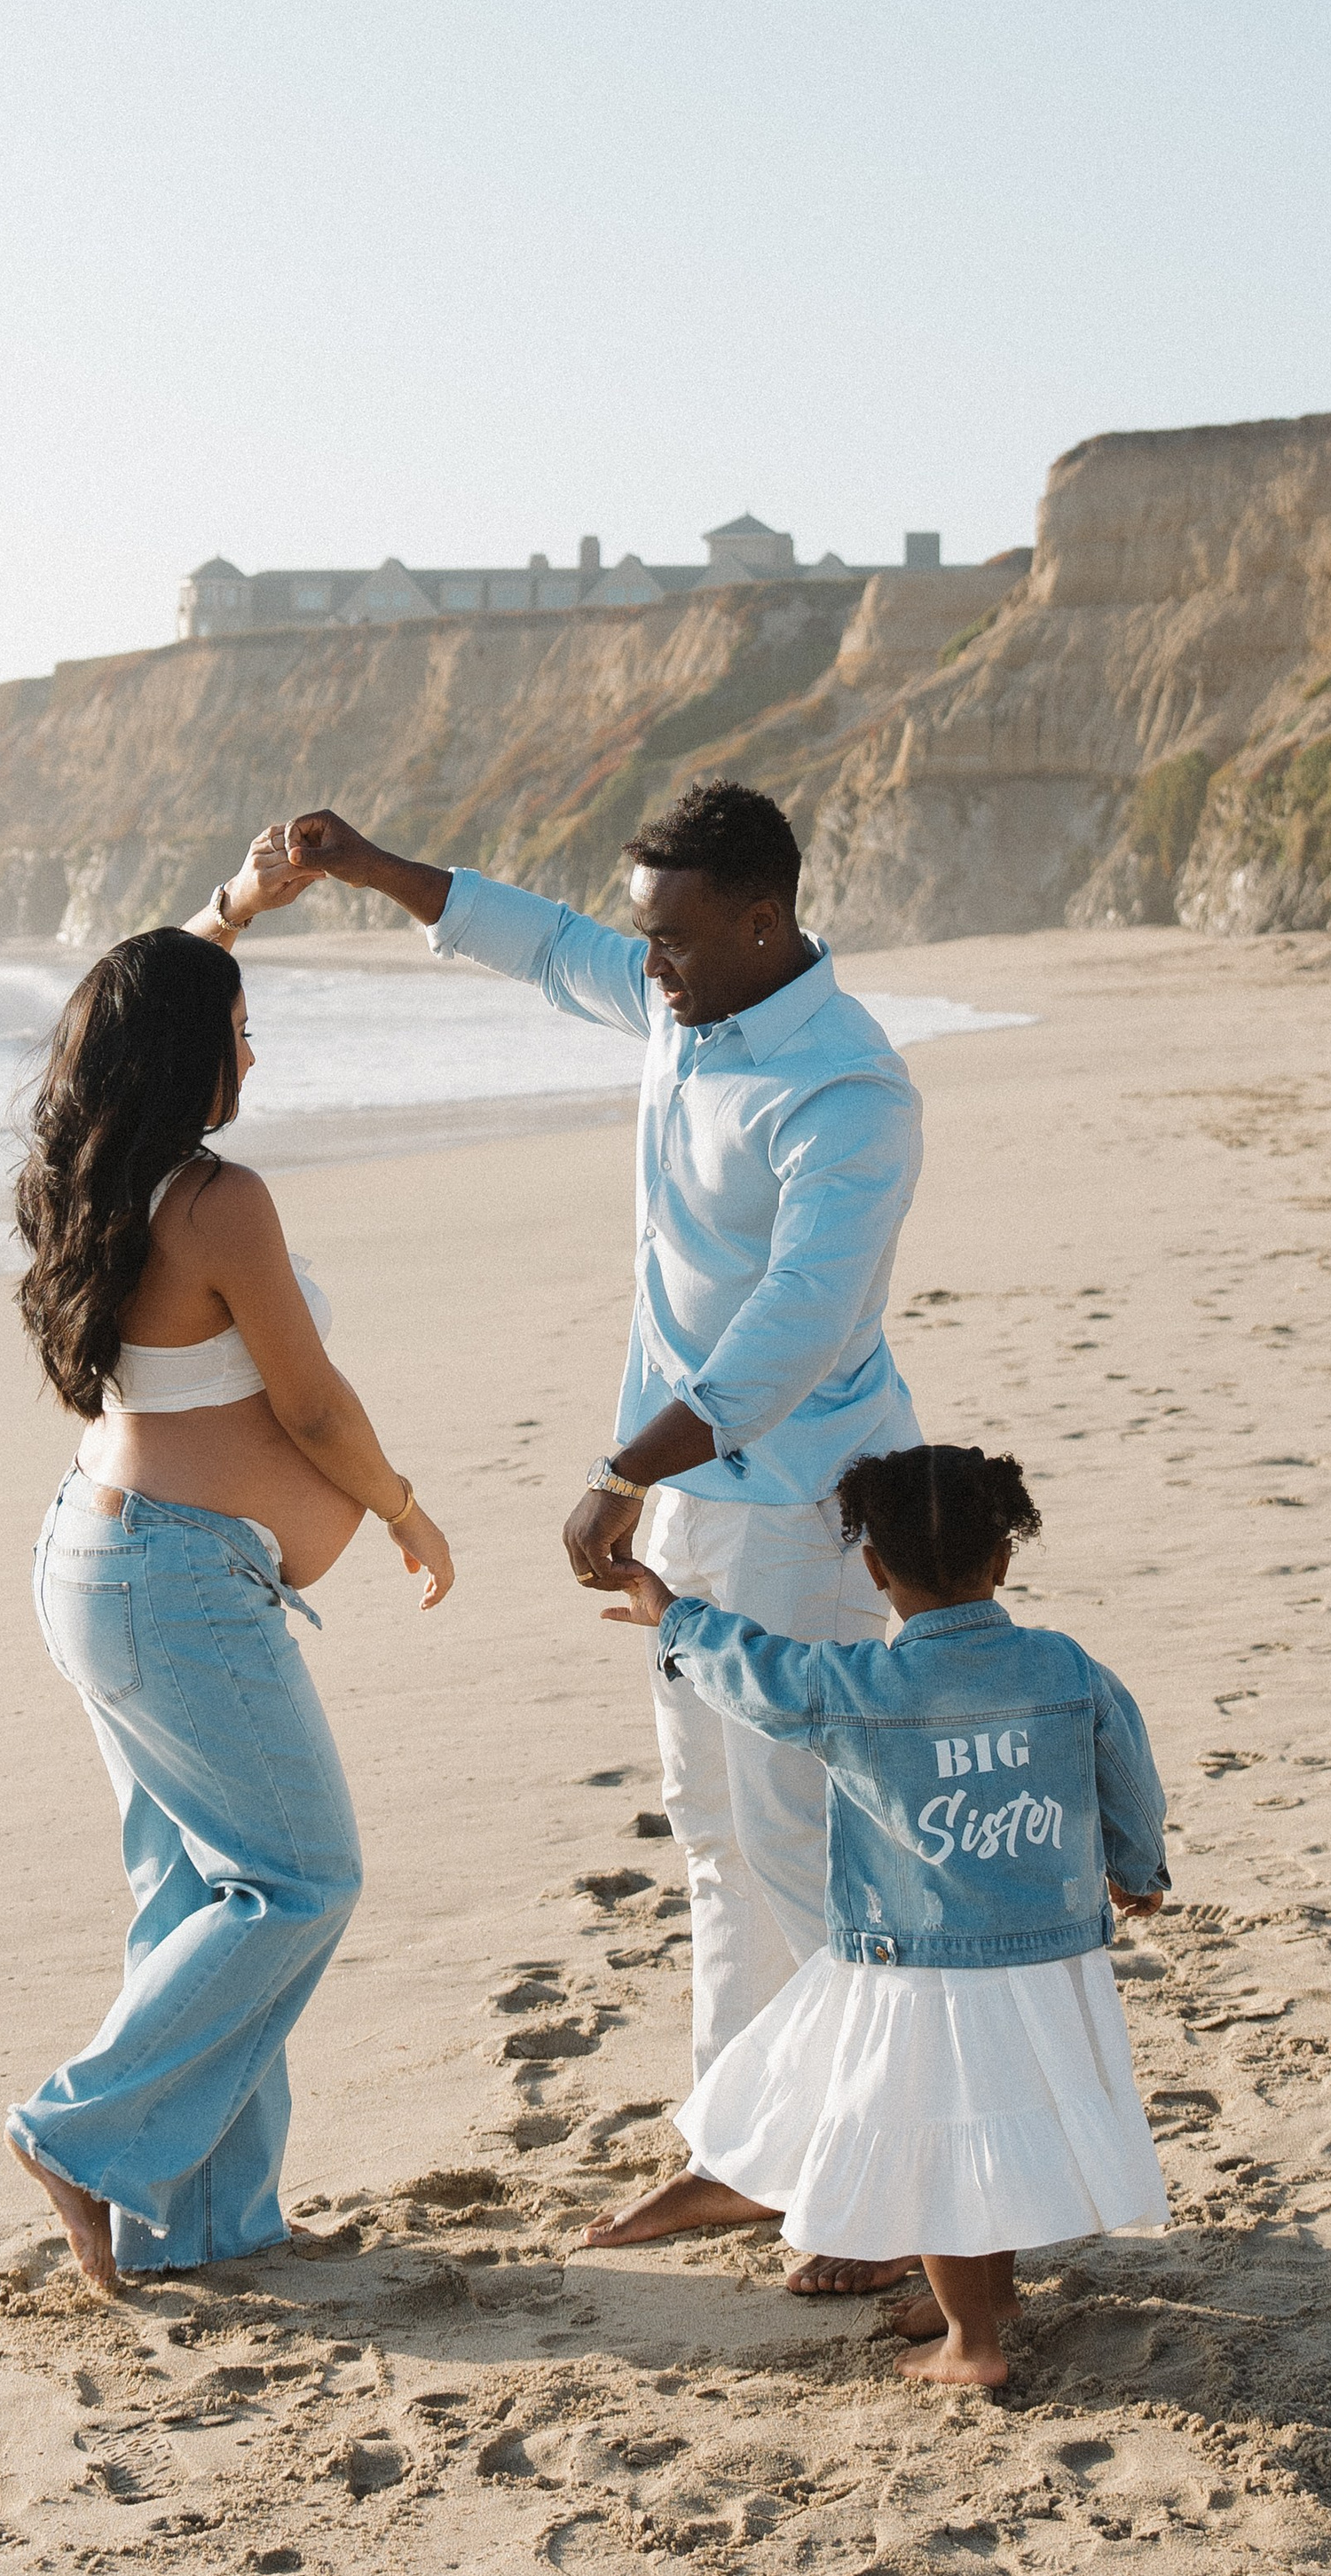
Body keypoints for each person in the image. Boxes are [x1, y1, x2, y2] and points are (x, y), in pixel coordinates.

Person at [280, 781, 925, 2281]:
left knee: (800, 1841)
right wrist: (374, 866)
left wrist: (620, 1473)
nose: (650, 967)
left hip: (800, 1507)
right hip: (691, 1496)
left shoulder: (849, 1091)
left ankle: (876, 2189)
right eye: (650, 939)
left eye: (679, 941)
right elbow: (546, 942)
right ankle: (744, 2149)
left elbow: (796, 1332)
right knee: (712, 1835)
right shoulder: (679, 999)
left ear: (764, 922)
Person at [5, 830, 456, 2292]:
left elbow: (145, 993)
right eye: (239, 1035)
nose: (251, 1057)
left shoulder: (97, 1177)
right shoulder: (217, 1200)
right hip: (170, 1582)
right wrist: (398, 1506)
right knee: (301, 1878)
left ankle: (207, 2225)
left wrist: (235, 910)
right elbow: (310, 1403)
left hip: (108, 1560)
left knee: (202, 1895)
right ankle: (84, 2131)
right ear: (189, 1057)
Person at [602, 1442, 1170, 2388]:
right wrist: (1135, 1861)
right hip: (1042, 1956)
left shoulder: (856, 1684)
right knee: (996, 2125)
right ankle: (987, 2301)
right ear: (1002, 1561)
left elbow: (754, 1672)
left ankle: (971, 2346)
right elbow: (1126, 1763)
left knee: (939, 2148)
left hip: (921, 1964)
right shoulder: (1063, 1665)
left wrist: (673, 1613)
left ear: (873, 1567)